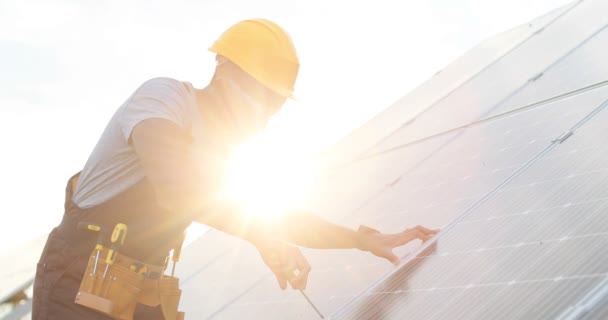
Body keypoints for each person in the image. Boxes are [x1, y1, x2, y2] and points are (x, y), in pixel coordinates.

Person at [32, 18, 439, 320]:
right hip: (78, 283)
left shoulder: (224, 150)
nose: (266, 111)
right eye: (259, 93)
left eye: (276, 101)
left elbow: (269, 215)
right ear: (222, 70)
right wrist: (264, 237)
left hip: (142, 292)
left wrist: (360, 240)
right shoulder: (163, 99)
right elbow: (177, 187)